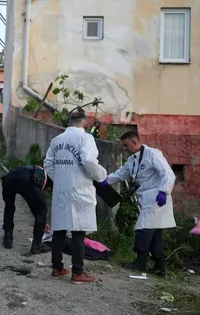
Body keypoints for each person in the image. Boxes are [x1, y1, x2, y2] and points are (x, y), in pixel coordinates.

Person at [100, 131, 176, 277]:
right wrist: (104, 181)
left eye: (126, 145)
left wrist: (164, 191)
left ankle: (140, 263)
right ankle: (160, 269)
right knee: (155, 236)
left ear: (135, 143)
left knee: (142, 230)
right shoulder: (132, 160)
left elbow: (167, 173)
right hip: (146, 200)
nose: (124, 148)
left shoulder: (153, 154)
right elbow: (121, 173)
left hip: (157, 199)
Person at [43, 111, 107, 284]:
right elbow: (88, 160)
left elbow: (48, 163)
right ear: (84, 123)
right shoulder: (86, 139)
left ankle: (57, 268)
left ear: (69, 122)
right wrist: (101, 175)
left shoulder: (57, 140)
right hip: (80, 189)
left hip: (61, 189)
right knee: (79, 231)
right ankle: (78, 272)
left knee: (60, 229)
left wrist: (61, 177)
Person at [1, 165, 53, 253]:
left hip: (9, 178)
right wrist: (41, 219)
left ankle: (7, 239)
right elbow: (37, 205)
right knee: (41, 211)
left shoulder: (36, 169)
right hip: (25, 180)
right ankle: (37, 246)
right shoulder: (46, 178)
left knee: (9, 206)